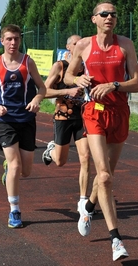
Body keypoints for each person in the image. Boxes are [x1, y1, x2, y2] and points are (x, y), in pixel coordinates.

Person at [63, 1, 138, 261]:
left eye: (113, 14)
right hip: (93, 112)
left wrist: (114, 85)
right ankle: (116, 239)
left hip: (119, 113)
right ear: (94, 19)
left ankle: (88, 207)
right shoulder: (84, 45)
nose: (110, 17)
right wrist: (77, 79)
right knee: (105, 176)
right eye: (104, 14)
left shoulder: (125, 45)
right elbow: (68, 76)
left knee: (105, 176)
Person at [0, 24, 46, 228]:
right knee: (15, 164)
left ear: (20, 40)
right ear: (2, 41)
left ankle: (8, 170)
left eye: (16, 39)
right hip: (5, 121)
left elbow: (42, 87)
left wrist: (37, 100)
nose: (13, 43)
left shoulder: (27, 62)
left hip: (26, 120)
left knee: (26, 171)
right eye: (9, 39)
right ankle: (14, 211)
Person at [41, 34, 92, 207]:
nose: (81, 46)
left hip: (83, 118)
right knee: (60, 162)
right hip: (63, 117)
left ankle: (83, 200)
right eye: (77, 44)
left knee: (85, 157)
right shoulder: (60, 67)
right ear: (69, 47)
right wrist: (66, 92)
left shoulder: (87, 68)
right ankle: (50, 151)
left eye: (83, 44)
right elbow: (44, 92)